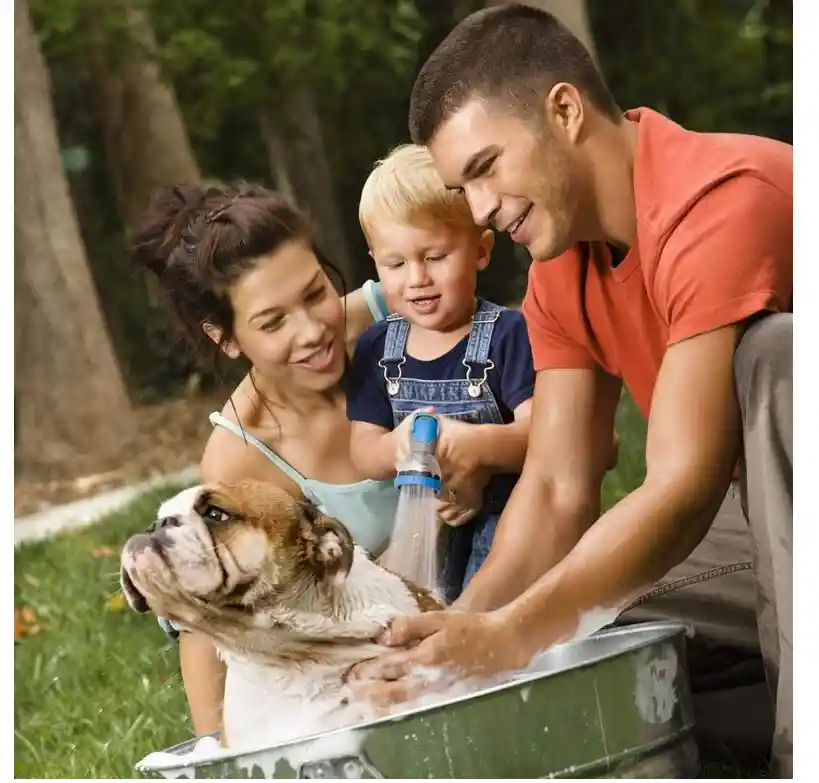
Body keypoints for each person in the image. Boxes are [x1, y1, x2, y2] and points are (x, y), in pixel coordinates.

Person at [346, 4, 792, 776]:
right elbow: (554, 487)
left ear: (564, 109)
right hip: (773, 523)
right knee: (587, 627)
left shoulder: (714, 197)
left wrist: (511, 632)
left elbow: (682, 485)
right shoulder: (560, 268)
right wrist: (460, 633)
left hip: (787, 507)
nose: (477, 208)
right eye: (461, 185)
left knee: (775, 358)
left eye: (485, 168)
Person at [131, 181, 477, 737]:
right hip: (401, 655)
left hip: (507, 569)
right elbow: (208, 618)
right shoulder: (242, 456)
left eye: (315, 293)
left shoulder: (400, 309)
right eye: (272, 323)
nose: (314, 331)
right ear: (226, 338)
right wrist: (218, 750)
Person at [346, 143, 538, 601]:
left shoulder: (508, 335)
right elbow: (364, 452)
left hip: (510, 527)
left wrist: (476, 446)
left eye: (435, 257)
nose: (416, 278)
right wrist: (398, 444)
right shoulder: (377, 348)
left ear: (481, 250)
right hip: (427, 528)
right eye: (395, 264)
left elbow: (544, 433)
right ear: (375, 261)